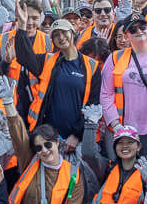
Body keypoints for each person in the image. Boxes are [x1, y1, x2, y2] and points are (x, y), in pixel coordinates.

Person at [16, 18, 100, 157]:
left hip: (76, 141)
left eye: (63, 32)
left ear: (72, 33)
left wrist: (76, 134)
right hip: (48, 139)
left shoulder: (91, 66)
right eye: (56, 35)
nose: (61, 37)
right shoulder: (46, 61)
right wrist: (22, 27)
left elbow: (94, 103)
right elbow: (24, 56)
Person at [101, 16, 147, 157]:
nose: (139, 31)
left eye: (142, 27)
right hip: (123, 131)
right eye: (133, 29)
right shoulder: (115, 58)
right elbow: (105, 94)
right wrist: (115, 125)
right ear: (127, 35)